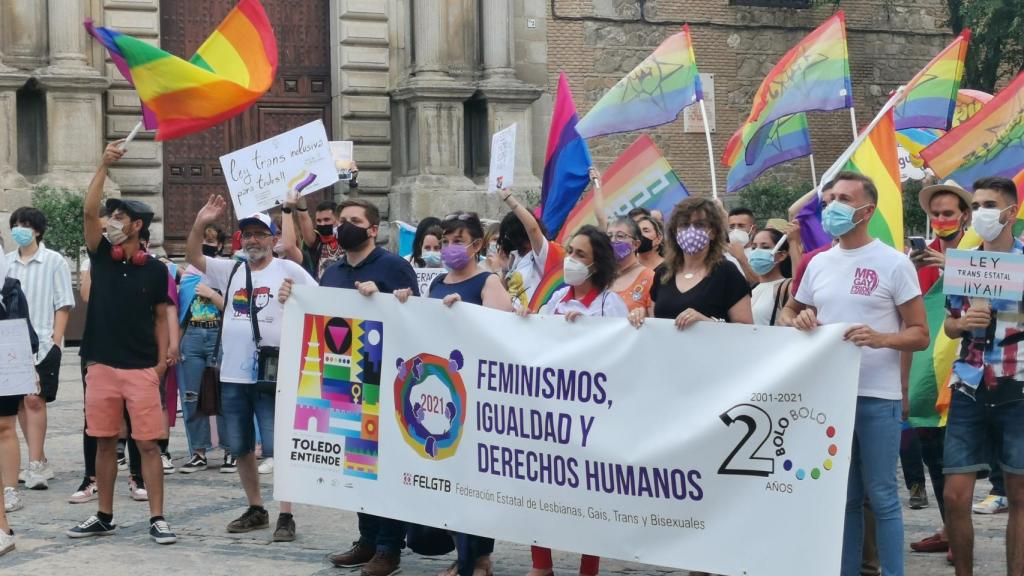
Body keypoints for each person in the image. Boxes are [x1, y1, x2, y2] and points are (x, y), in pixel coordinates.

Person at [779, 172, 929, 576]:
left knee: (881, 495)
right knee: (842, 498)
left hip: (877, 396)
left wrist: (881, 339)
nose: (833, 206)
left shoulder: (894, 263)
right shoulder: (818, 263)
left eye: (844, 198)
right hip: (830, 397)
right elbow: (789, 311)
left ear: (868, 209)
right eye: (829, 199)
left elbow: (920, 334)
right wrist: (799, 316)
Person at [283, 198, 418, 576]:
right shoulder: (333, 271)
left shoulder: (394, 267)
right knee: (358, 467)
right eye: (342, 221)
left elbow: (419, 323)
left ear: (373, 229)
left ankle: (390, 547)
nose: (345, 227)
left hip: (388, 382)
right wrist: (291, 301)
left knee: (386, 469)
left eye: (354, 221)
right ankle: (367, 539)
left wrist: (391, 300)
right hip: (347, 383)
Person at [185, 196, 315, 544]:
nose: (253, 240)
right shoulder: (231, 269)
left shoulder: (289, 271)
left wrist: (297, 298)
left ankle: (286, 513)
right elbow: (193, 257)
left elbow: (321, 304)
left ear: (274, 239)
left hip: (275, 373)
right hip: (233, 375)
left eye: (260, 234)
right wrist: (201, 222)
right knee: (241, 444)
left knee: (280, 444)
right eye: (248, 234)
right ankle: (256, 507)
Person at [68, 140, 177, 545]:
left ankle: (158, 517)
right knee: (103, 444)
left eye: (120, 217)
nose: (112, 221)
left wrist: (162, 361)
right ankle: (103, 515)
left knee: (148, 445)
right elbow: (86, 211)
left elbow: (161, 313)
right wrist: (101, 164)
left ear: (137, 227)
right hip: (100, 365)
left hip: (141, 368)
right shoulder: (100, 256)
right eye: (111, 215)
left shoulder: (155, 270)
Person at [395, 211, 511, 576]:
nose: (449, 248)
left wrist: (467, 314)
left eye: (457, 241)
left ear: (476, 244)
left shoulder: (487, 281)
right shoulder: (438, 283)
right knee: (452, 477)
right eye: (445, 241)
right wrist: (407, 304)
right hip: (444, 395)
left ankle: (476, 558)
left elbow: (504, 329)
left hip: (478, 393)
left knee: (475, 478)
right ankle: (463, 553)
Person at [530, 225, 627, 576]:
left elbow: (621, 354)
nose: (571, 259)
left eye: (581, 254)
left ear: (597, 264)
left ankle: (589, 568)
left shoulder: (608, 304)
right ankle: (541, 564)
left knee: (589, 494)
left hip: (590, 416)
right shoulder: (555, 299)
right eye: (570, 251)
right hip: (551, 412)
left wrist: (588, 330)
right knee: (541, 487)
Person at [941, 176, 1024, 576]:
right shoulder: (963, 261)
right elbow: (949, 325)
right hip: (969, 386)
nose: (980, 214)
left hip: (1018, 386)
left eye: (989, 205)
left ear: (1012, 212)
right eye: (976, 206)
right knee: (956, 496)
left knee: (1019, 495)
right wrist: (961, 325)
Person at [903, 180, 973, 554]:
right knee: (931, 447)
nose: (941, 219)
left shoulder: (981, 255)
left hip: (968, 371)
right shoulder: (915, 260)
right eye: (935, 213)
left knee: (958, 456)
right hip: (925, 371)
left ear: (964, 215)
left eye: (948, 213)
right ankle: (949, 529)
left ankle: (959, 533)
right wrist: (906, 269)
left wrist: (954, 265)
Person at [5, 207, 74, 491]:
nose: (20, 229)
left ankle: (35, 465)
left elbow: (63, 303)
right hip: (12, 341)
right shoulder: (7, 262)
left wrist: (56, 340)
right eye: (16, 224)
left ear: (37, 229)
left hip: (43, 339)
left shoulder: (54, 260)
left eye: (26, 224)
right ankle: (39, 457)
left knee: (36, 399)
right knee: (20, 402)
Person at [633, 197, 752, 330]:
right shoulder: (663, 272)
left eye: (699, 225)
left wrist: (707, 322)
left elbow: (746, 330)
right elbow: (656, 321)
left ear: (713, 232)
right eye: (684, 225)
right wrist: (641, 316)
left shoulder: (726, 272)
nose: (691, 231)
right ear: (675, 232)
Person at [176, 225, 233, 474]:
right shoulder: (187, 275)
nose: (209, 245)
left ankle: (232, 450)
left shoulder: (229, 270)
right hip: (192, 338)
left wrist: (212, 294)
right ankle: (198, 451)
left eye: (213, 241)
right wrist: (175, 344)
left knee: (226, 395)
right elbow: (181, 313)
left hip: (219, 336)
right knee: (191, 395)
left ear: (220, 245)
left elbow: (234, 309)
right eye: (204, 241)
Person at [0, 240, 39, 555]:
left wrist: (28, 368)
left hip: (4, 368)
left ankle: (3, 522)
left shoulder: (10, 289)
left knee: (3, 428)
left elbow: (23, 331)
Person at [499, 191, 562, 311]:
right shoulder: (515, 259)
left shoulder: (540, 254)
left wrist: (509, 199)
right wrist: (503, 271)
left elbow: (532, 229)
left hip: (533, 320)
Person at [607, 217, 655, 316]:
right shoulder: (601, 277)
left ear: (636, 244)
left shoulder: (650, 278)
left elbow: (657, 323)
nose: (613, 241)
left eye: (620, 236)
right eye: (609, 236)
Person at [748, 228, 792, 326]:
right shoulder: (752, 288)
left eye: (765, 247)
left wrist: (794, 242)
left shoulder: (787, 286)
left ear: (782, 255)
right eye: (754, 247)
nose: (757, 252)